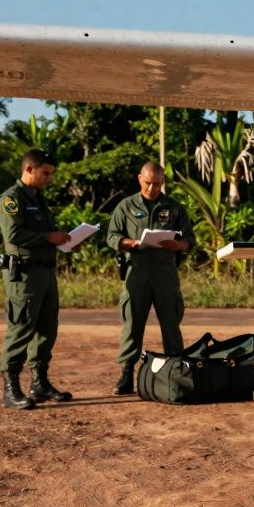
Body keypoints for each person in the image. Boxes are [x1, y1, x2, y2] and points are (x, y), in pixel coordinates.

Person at [0, 148, 74, 410]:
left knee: (46, 329)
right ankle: (11, 389)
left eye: (51, 174)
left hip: (46, 272)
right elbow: (14, 235)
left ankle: (39, 383)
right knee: (21, 328)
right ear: (29, 169)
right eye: (46, 173)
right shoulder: (11, 199)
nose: (49, 178)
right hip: (24, 275)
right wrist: (48, 238)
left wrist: (62, 240)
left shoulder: (38, 199)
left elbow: (44, 233)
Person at [106, 162, 195, 395]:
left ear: (163, 181)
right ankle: (126, 374)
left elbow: (189, 240)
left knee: (171, 323)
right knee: (132, 324)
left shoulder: (174, 208)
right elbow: (112, 237)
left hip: (166, 272)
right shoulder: (126, 206)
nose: (152, 188)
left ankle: (176, 372)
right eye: (147, 183)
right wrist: (130, 243)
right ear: (139, 179)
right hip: (137, 271)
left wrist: (177, 244)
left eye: (157, 184)